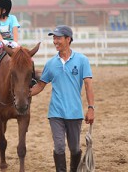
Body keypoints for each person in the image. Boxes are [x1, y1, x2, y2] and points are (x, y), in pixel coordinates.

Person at [30, 25, 95, 172]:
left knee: (74, 148)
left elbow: (88, 86)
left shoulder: (82, 60)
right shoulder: (51, 64)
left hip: (74, 112)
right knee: (59, 147)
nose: (55, 41)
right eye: (54, 38)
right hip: (56, 113)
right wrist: (24, 94)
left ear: (68, 39)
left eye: (58, 38)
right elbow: (40, 85)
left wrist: (91, 108)